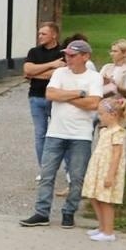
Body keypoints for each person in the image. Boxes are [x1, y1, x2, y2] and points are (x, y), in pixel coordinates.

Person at [20, 40, 104, 229]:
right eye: (66, 55)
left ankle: (69, 212)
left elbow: (93, 104)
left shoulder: (94, 77)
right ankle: (42, 212)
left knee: (77, 176)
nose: (68, 59)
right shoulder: (59, 72)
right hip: (56, 131)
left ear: (85, 57)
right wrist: (79, 94)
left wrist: (65, 96)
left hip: (81, 134)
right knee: (47, 174)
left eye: (73, 56)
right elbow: (50, 95)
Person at [82, 97, 126, 242]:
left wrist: (110, 175)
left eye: (102, 114)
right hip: (97, 169)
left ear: (113, 115)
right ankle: (102, 227)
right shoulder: (105, 131)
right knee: (93, 196)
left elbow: (116, 155)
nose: (99, 117)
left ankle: (109, 232)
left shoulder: (118, 132)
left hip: (107, 170)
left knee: (105, 200)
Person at [22, 22, 64, 177]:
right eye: (39, 33)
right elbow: (27, 70)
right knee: (40, 134)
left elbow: (59, 74)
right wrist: (52, 65)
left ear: (54, 35)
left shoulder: (63, 52)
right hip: (36, 97)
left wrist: (35, 73)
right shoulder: (34, 52)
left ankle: (66, 170)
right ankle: (45, 169)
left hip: (56, 98)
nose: (40, 36)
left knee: (60, 133)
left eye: (44, 34)